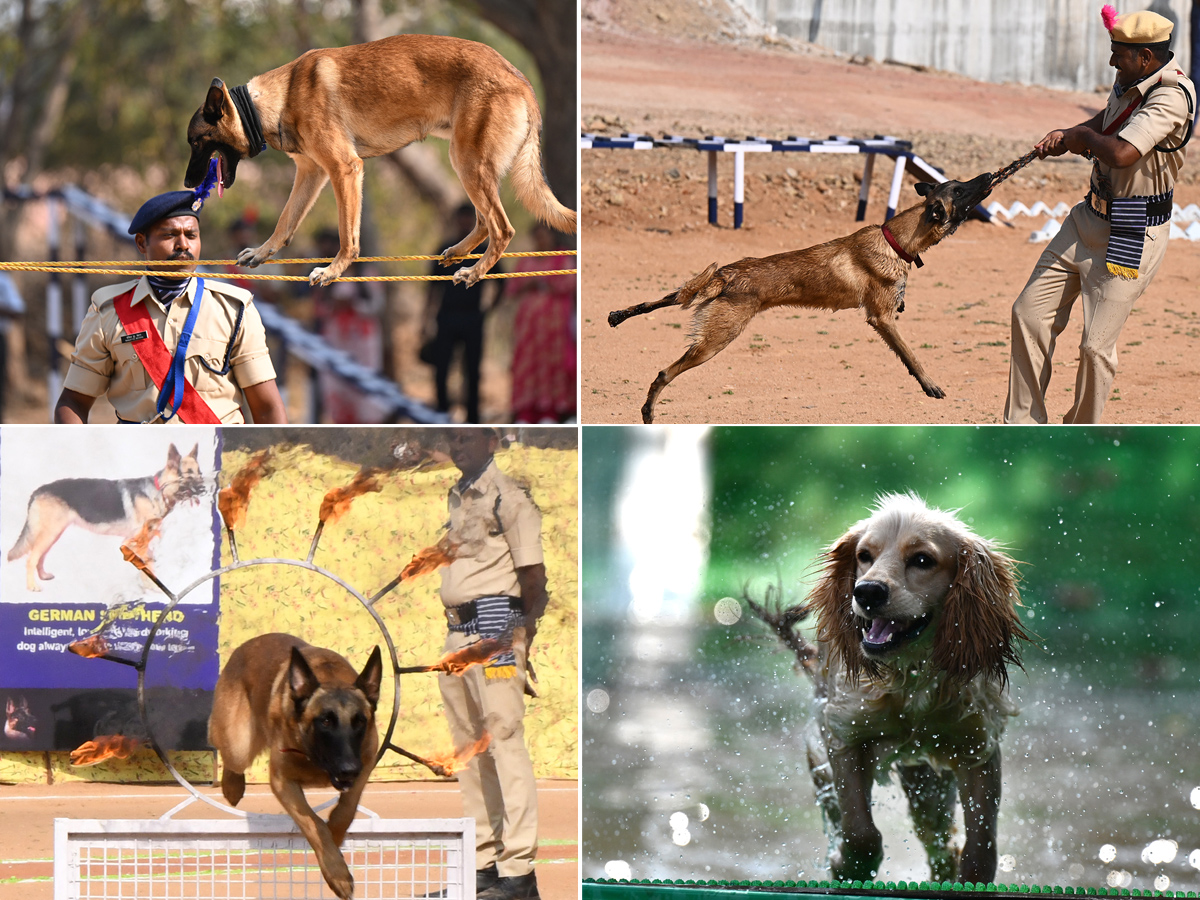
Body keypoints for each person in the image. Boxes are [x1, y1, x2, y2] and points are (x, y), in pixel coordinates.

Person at [1005, 6, 1195, 424]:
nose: (1111, 61)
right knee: (1028, 314)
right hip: (1086, 218)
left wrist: (1081, 138)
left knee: (1094, 349)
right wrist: (1068, 133)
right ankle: (1022, 428)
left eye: (1118, 54)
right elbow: (1110, 123)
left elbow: (1124, 152)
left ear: (1145, 56)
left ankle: (1080, 437)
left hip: (1133, 228)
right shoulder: (1131, 78)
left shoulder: (1171, 96)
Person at [55, 188, 287, 424]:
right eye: (170, 235)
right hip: (138, 456)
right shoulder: (108, 310)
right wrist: (78, 457)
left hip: (216, 454)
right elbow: (73, 402)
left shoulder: (234, 309)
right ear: (142, 243)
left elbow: (267, 408)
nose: (183, 245)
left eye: (191, 235)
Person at [436, 428, 547, 900]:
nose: (458, 447)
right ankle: (481, 866)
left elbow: (533, 577)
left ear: (492, 441)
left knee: (503, 740)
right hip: (457, 632)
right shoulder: (457, 497)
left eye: (466, 439)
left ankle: (517, 873)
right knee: (470, 749)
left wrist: (518, 636)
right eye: (452, 440)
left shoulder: (511, 498)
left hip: (497, 628)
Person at [422, 204, 501, 423]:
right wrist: (425, 319)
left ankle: (473, 419)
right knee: (441, 368)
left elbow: (501, 283)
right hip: (446, 316)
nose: (466, 224)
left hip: (473, 316)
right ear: (457, 221)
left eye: (471, 220)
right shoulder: (446, 248)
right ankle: (441, 415)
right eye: (463, 218)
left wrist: (488, 309)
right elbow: (432, 287)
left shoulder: (486, 249)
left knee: (473, 371)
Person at [308, 227, 388, 423]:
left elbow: (378, 305)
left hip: (363, 343)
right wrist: (333, 307)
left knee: (363, 387)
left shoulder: (368, 273)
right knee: (337, 385)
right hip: (335, 340)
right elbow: (318, 307)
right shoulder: (327, 274)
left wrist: (354, 305)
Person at [506, 225, 576, 423]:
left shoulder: (563, 257)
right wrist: (530, 284)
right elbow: (511, 288)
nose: (541, 241)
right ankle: (526, 410)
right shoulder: (526, 260)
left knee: (554, 365)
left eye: (544, 237)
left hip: (554, 328)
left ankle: (552, 410)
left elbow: (568, 284)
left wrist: (541, 283)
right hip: (528, 330)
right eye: (537, 237)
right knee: (526, 366)